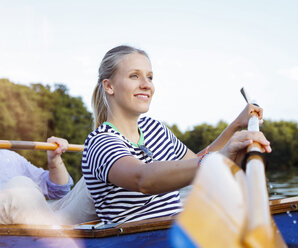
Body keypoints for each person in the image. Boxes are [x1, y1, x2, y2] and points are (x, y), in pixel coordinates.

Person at [82, 45, 272, 224]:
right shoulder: (101, 142)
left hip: (177, 233)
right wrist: (218, 157)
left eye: (150, 77)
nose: (147, 85)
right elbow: (143, 179)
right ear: (109, 86)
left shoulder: (155, 128)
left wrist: (236, 126)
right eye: (134, 76)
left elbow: (196, 163)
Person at [0, 136, 73, 224]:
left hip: (43, 218)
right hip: (40, 226)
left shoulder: (8, 157)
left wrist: (54, 159)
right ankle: (56, 233)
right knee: (20, 184)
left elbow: (59, 191)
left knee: (86, 183)